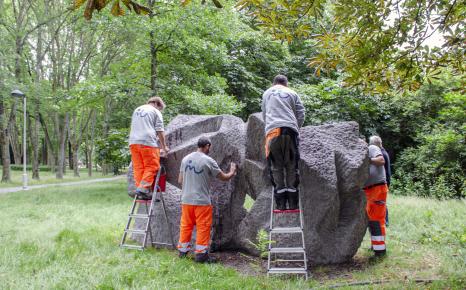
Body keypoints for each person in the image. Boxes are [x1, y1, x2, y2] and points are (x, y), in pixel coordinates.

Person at [177, 137, 237, 263]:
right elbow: (224, 177)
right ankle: (201, 255)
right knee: (203, 227)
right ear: (207, 146)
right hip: (201, 201)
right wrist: (232, 171)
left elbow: (180, 180)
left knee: (186, 226)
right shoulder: (209, 161)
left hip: (186, 200)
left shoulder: (185, 159)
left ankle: (182, 252)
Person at [261, 75, 305, 210]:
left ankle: (280, 203)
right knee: (292, 165)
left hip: (273, 132)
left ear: (274, 83)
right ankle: (292, 202)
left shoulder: (267, 93)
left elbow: (264, 114)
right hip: (290, 131)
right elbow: (301, 113)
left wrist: (269, 127)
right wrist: (296, 127)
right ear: (286, 83)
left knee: (276, 166)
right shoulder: (292, 92)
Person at [128, 96, 169, 200]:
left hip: (133, 142)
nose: (160, 110)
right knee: (152, 166)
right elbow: (160, 130)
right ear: (157, 104)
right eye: (160, 108)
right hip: (147, 142)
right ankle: (143, 188)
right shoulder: (155, 111)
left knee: (139, 167)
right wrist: (164, 147)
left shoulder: (137, 109)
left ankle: (141, 191)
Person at [364, 136, 388, 257]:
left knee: (377, 220)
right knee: (372, 219)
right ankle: (377, 246)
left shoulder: (372, 148)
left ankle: (380, 251)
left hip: (377, 188)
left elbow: (381, 160)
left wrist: (367, 159)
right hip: (370, 190)